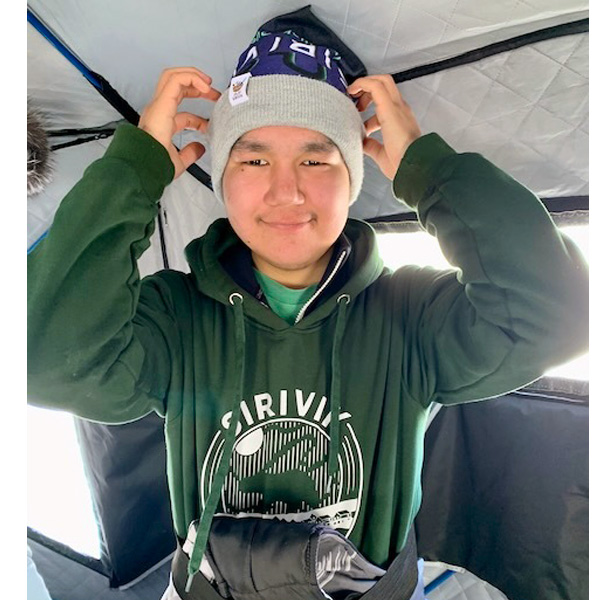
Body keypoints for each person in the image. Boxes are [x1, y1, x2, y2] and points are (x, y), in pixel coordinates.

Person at [27, 12, 588, 600]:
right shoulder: (176, 316)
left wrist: (428, 167)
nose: (286, 191)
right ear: (221, 179)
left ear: (354, 175)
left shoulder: (411, 314)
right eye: (254, 159)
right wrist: (135, 169)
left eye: (317, 159)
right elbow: (40, 358)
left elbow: (558, 314)